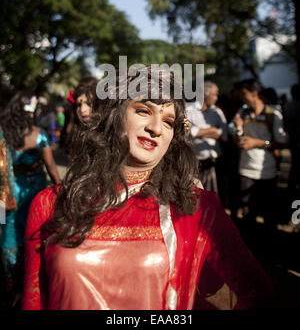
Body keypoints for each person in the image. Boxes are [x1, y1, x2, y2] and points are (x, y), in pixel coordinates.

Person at [22, 68, 275, 310]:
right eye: (144, 111)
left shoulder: (195, 208)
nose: (156, 128)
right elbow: (34, 301)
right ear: (115, 114)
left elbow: (256, 294)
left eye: (168, 122)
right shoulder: (52, 204)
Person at [0, 91, 60, 306]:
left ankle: (9, 282)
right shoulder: (39, 134)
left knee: (7, 230)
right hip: (34, 193)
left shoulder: (3, 133)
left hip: (7, 192)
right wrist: (59, 189)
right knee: (33, 233)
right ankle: (29, 283)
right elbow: (51, 167)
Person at [230, 79, 288, 230]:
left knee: (269, 212)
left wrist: (257, 143)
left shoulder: (273, 115)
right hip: (246, 170)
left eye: (244, 94)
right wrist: (238, 129)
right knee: (248, 212)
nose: (242, 97)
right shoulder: (242, 113)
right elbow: (237, 139)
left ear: (254, 94)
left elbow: (281, 142)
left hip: (267, 170)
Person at [186, 81, 228, 193]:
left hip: (214, 161)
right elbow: (187, 131)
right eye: (214, 94)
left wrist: (199, 131)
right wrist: (213, 130)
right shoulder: (187, 111)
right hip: (195, 163)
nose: (216, 98)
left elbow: (223, 134)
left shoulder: (217, 112)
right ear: (204, 94)